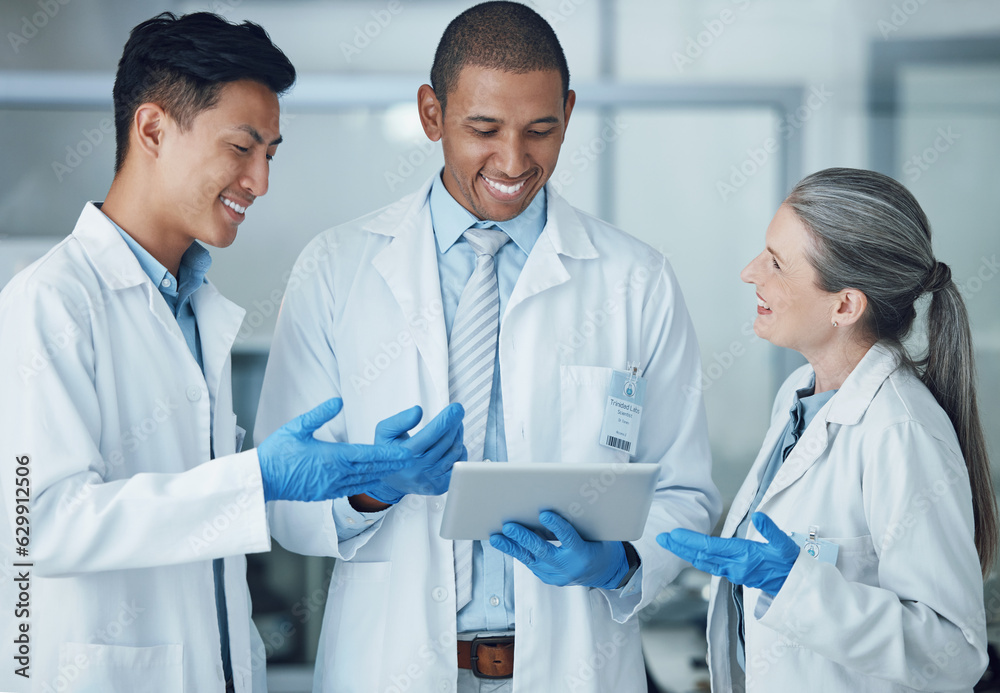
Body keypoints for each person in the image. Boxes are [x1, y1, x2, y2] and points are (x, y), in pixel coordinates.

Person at [253, 2, 721, 691]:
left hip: (571, 667)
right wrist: (371, 491)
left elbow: (686, 491)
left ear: (567, 111)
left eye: (541, 130)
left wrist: (618, 560)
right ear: (431, 114)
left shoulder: (635, 279)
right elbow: (280, 499)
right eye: (483, 129)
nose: (513, 160)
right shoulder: (336, 270)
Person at [0, 12, 463, 693]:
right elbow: (35, 525)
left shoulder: (192, 310)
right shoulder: (49, 303)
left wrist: (363, 487)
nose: (260, 181)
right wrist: (257, 480)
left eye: (269, 153)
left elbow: (204, 544)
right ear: (153, 129)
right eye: (242, 148)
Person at [657, 167, 997, 692]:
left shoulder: (899, 431)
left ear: (845, 305)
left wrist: (795, 588)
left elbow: (952, 654)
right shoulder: (800, 393)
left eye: (776, 264)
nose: (750, 272)